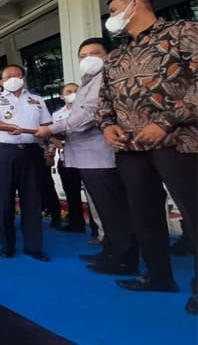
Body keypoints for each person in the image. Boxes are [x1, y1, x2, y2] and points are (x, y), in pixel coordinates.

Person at [96, 0, 197, 313]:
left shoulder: (182, 31)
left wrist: (167, 121)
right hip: (130, 148)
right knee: (143, 213)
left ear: (135, 4)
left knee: (193, 213)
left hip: (179, 141)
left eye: (113, 10)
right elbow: (104, 101)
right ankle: (158, 276)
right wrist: (107, 124)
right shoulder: (116, 56)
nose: (110, 19)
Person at [35, 37, 139, 276]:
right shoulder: (89, 82)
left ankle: (124, 258)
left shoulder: (105, 78)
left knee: (113, 210)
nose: (87, 59)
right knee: (104, 210)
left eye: (94, 53)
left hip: (101, 157)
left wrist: (51, 129)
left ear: (108, 55)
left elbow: (88, 116)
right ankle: (111, 250)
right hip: (87, 157)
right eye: (82, 56)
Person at [0, 64, 53, 262]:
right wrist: (8, 127)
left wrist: (50, 143)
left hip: (31, 152)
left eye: (17, 75)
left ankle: (34, 246)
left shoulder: (37, 100)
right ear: (2, 82)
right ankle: (7, 244)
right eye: (8, 76)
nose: (13, 78)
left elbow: (46, 125)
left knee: (32, 200)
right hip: (3, 152)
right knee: (4, 199)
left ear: (23, 77)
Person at [50, 83, 86, 232]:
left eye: (75, 91)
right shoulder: (57, 115)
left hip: (87, 158)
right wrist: (54, 142)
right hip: (66, 157)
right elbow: (52, 134)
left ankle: (101, 229)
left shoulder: (87, 111)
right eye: (69, 91)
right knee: (71, 192)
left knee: (95, 194)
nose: (72, 94)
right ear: (61, 96)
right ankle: (76, 223)